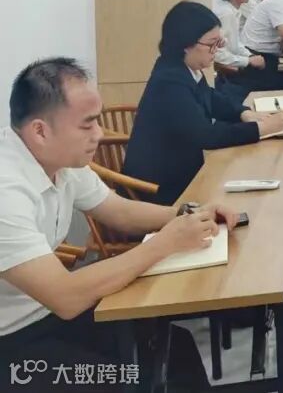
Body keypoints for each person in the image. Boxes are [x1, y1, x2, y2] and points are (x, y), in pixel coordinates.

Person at [0, 58, 237, 387]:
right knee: (122, 379)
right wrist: (164, 243)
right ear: (40, 131)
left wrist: (190, 213)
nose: (99, 134)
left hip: (44, 313)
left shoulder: (59, 161)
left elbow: (119, 211)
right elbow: (65, 296)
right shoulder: (6, 191)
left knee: (173, 349)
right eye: (87, 125)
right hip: (11, 337)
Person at [123, 2, 283, 204]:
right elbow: (206, 136)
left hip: (182, 173)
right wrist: (261, 129)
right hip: (159, 190)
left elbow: (210, 96)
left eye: (219, 42)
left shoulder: (183, 68)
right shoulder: (169, 81)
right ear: (186, 44)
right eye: (212, 44)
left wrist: (244, 113)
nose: (216, 51)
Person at [213, 0, 267, 75]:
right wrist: (248, 61)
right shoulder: (225, 14)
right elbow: (217, 54)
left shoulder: (232, 11)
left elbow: (235, 44)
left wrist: (250, 56)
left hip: (235, 63)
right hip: (228, 72)